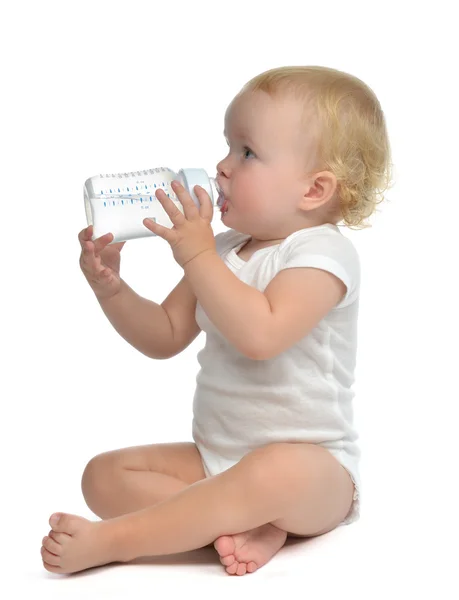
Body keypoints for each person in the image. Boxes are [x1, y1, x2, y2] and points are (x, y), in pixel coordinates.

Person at [41, 65, 394, 577]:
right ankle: (248, 525)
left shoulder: (324, 254)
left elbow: (262, 336)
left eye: (246, 153)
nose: (221, 167)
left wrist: (197, 256)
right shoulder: (225, 250)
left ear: (314, 190)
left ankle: (120, 541)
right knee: (104, 476)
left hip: (311, 473)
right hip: (216, 458)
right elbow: (164, 335)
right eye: (227, 147)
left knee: (275, 470)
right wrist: (111, 289)